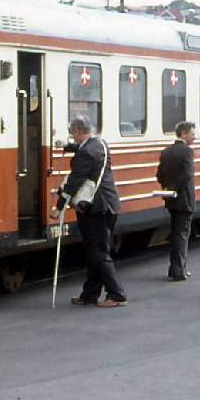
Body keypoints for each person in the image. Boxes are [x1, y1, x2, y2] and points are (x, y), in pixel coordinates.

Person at [51, 116, 127, 307]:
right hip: (107, 205)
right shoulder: (100, 144)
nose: (72, 137)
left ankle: (117, 294)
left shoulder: (86, 153)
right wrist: (68, 147)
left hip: (96, 207)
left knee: (98, 253)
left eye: (72, 133)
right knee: (95, 252)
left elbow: (74, 181)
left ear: (77, 130)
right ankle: (89, 294)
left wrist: (58, 207)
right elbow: (84, 150)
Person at [156, 120, 196, 282]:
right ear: (184, 134)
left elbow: (159, 174)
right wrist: (175, 189)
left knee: (175, 233)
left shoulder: (166, 152)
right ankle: (179, 270)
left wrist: (167, 188)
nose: (194, 137)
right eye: (193, 134)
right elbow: (187, 175)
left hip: (171, 200)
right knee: (182, 235)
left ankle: (174, 268)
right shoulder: (187, 152)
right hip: (184, 199)